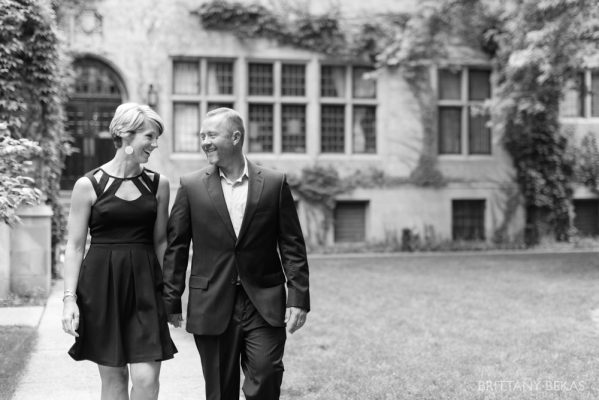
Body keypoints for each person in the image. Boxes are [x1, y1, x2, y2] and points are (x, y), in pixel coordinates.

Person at [163, 107, 310, 400]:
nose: (205, 142)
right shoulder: (191, 185)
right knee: (220, 391)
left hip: (263, 301)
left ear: (236, 137)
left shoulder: (274, 183)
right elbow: (177, 246)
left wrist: (298, 297)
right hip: (212, 301)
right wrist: (171, 298)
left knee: (267, 375)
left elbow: (292, 244)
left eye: (211, 135)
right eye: (202, 136)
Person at [61, 103, 177, 400]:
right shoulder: (88, 185)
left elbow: (161, 242)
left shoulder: (158, 184)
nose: (155, 144)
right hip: (102, 287)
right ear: (126, 134)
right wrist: (69, 299)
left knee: (146, 379)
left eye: (156, 137)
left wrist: (171, 295)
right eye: (149, 136)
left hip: (146, 286)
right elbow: (75, 246)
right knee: (114, 380)